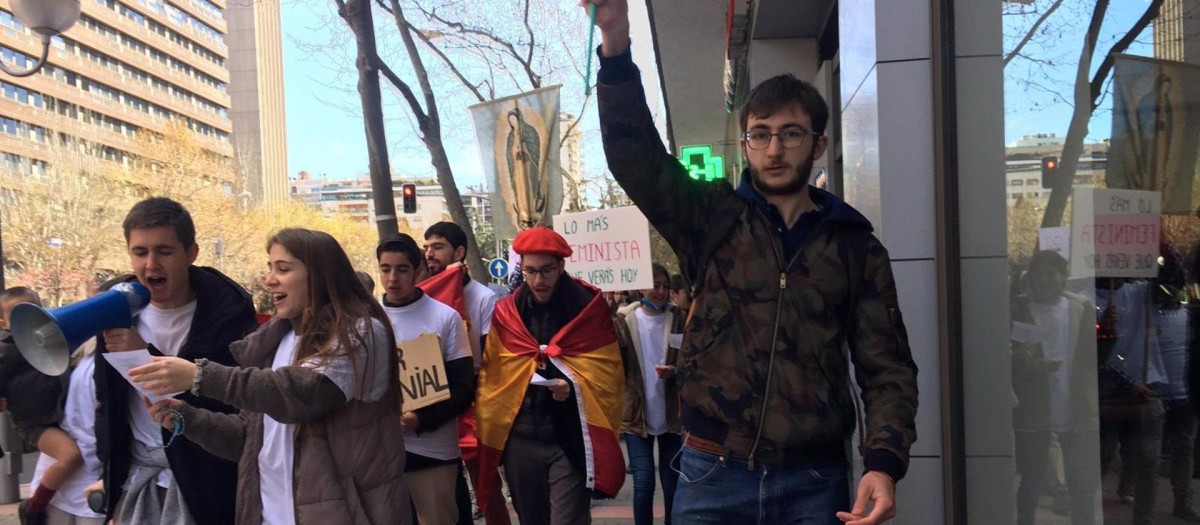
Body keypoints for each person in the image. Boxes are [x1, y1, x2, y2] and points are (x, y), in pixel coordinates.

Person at [588, 1, 920, 523]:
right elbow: (636, 156)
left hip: (814, 480)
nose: (774, 148)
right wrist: (615, 39)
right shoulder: (711, 216)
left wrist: (883, 462)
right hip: (710, 471)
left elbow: (888, 368)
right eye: (760, 134)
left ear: (819, 143)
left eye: (791, 133)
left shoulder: (855, 246)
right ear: (745, 145)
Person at [132, 228, 409, 524]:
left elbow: (299, 394)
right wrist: (188, 419)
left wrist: (199, 376)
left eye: (283, 269)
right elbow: (249, 439)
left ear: (320, 275)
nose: (269, 279)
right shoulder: (274, 342)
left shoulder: (362, 332)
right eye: (269, 268)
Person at [93, 197, 257, 525]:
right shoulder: (112, 308)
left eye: (164, 251)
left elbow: (231, 408)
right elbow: (106, 403)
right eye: (140, 252)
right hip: (136, 485)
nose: (151, 265)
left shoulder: (228, 313)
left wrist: (144, 355)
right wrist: (111, 483)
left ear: (191, 253)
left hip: (206, 489)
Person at [474, 227, 626, 525]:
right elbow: (495, 374)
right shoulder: (507, 312)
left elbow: (608, 373)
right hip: (520, 438)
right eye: (530, 271)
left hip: (567, 437)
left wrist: (571, 386)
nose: (538, 280)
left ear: (561, 267)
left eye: (546, 271)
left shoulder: (587, 309)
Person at [377, 233, 474, 525]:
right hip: (381, 452)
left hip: (434, 454)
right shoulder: (367, 321)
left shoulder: (445, 317)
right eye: (385, 269)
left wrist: (420, 419)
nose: (393, 278)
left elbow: (463, 389)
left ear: (417, 270)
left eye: (402, 269)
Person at [422, 222, 509, 525]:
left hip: (474, 404)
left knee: (486, 486)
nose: (429, 253)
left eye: (437, 246)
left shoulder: (484, 298)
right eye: (427, 246)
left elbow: (492, 357)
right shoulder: (423, 296)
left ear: (458, 252)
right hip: (435, 403)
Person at [1010, 251, 1101, 525]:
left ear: (1063, 275)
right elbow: (1007, 355)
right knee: (1031, 482)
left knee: (1081, 484)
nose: (1044, 281)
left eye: (1050, 273)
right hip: (1033, 410)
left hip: (1076, 409)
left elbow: (1093, 357)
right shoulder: (1017, 308)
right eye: (1038, 275)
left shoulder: (1081, 308)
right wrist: (1032, 366)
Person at [0, 287, 83, 525]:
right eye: (17, 316)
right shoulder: (6, 350)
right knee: (70, 457)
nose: (26, 321)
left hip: (57, 415)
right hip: (35, 424)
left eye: (32, 312)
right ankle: (34, 507)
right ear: (4, 323)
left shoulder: (53, 337)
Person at [614, 264, 684, 525]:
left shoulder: (678, 318)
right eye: (656, 285)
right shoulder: (625, 320)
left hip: (672, 415)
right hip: (636, 415)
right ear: (642, 285)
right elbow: (613, 361)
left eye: (666, 287)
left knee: (672, 484)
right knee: (643, 483)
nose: (662, 292)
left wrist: (676, 370)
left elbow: (693, 358)